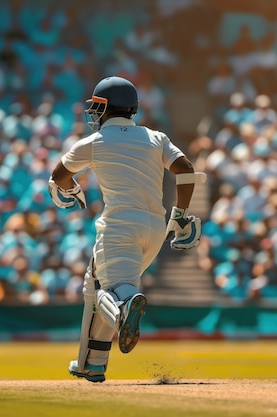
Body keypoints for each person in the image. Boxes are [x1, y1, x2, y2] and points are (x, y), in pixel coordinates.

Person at [48, 76, 202, 382]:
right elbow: (186, 170)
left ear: (104, 107)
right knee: (98, 283)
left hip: (119, 225)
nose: (94, 113)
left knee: (110, 292)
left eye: (96, 107)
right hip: (155, 228)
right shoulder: (155, 137)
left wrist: (71, 190)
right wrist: (182, 215)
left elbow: (58, 175)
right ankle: (92, 363)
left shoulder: (93, 143)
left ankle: (123, 308)